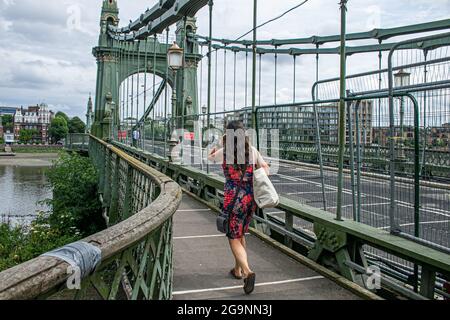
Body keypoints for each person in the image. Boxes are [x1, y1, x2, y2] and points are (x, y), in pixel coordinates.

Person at [208, 120, 270, 295]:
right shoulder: (252, 151)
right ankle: (238, 270)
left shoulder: (224, 152)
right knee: (240, 232)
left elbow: (210, 158)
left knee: (233, 237)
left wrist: (220, 143)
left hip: (232, 200)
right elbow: (266, 170)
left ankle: (248, 271)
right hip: (250, 199)